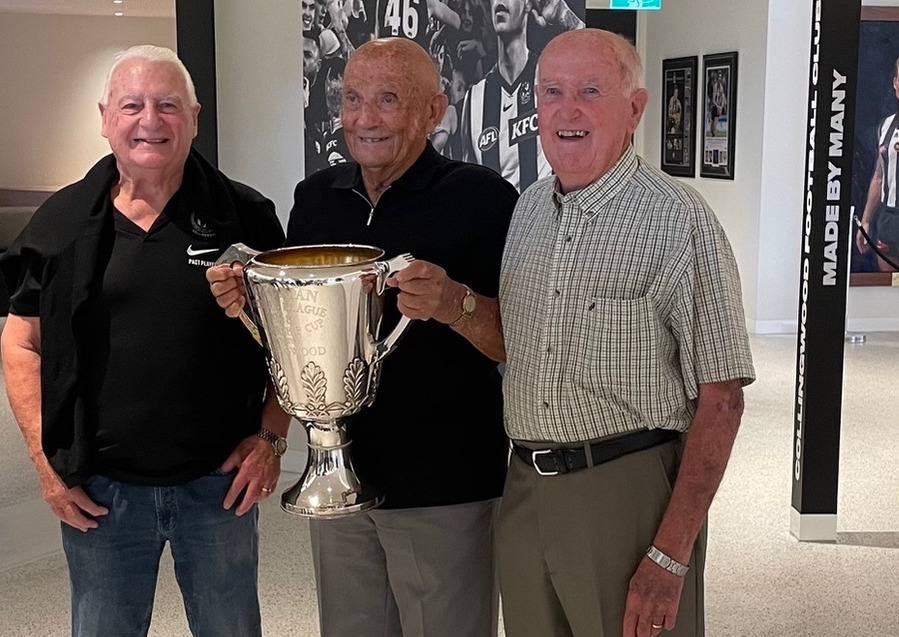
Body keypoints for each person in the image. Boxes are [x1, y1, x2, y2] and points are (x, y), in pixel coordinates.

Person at [398, 29, 756, 637]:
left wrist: (670, 554)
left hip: (626, 493)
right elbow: (519, 342)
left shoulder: (678, 220)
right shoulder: (529, 212)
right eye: (552, 92)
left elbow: (722, 400)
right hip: (524, 492)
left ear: (636, 109)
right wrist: (454, 304)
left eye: (590, 91)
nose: (568, 111)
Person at [207, 37, 517, 637]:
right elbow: (295, 340)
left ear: (434, 111)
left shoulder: (482, 199)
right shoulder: (314, 200)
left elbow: (521, 343)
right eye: (352, 98)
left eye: (388, 99)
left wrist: (456, 304)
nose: (364, 118)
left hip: (443, 485)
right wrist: (250, 304)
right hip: (337, 476)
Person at [0, 45, 288, 637]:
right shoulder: (59, 226)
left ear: (195, 116)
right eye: (132, 106)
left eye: (167, 106)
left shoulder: (247, 218)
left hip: (219, 488)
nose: (150, 121)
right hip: (101, 491)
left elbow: (291, 345)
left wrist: (270, 439)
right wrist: (48, 467)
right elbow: (21, 343)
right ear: (105, 117)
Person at [458, 0, 582, 192]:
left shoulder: (552, 77)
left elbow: (598, 59)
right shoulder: (474, 98)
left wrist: (561, 15)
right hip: (496, 218)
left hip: (546, 216)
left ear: (528, 5)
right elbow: (469, 181)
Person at [856, 56, 899, 272]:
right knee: (887, 291)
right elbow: (879, 175)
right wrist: (865, 221)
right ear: (895, 84)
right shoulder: (886, 126)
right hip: (889, 220)